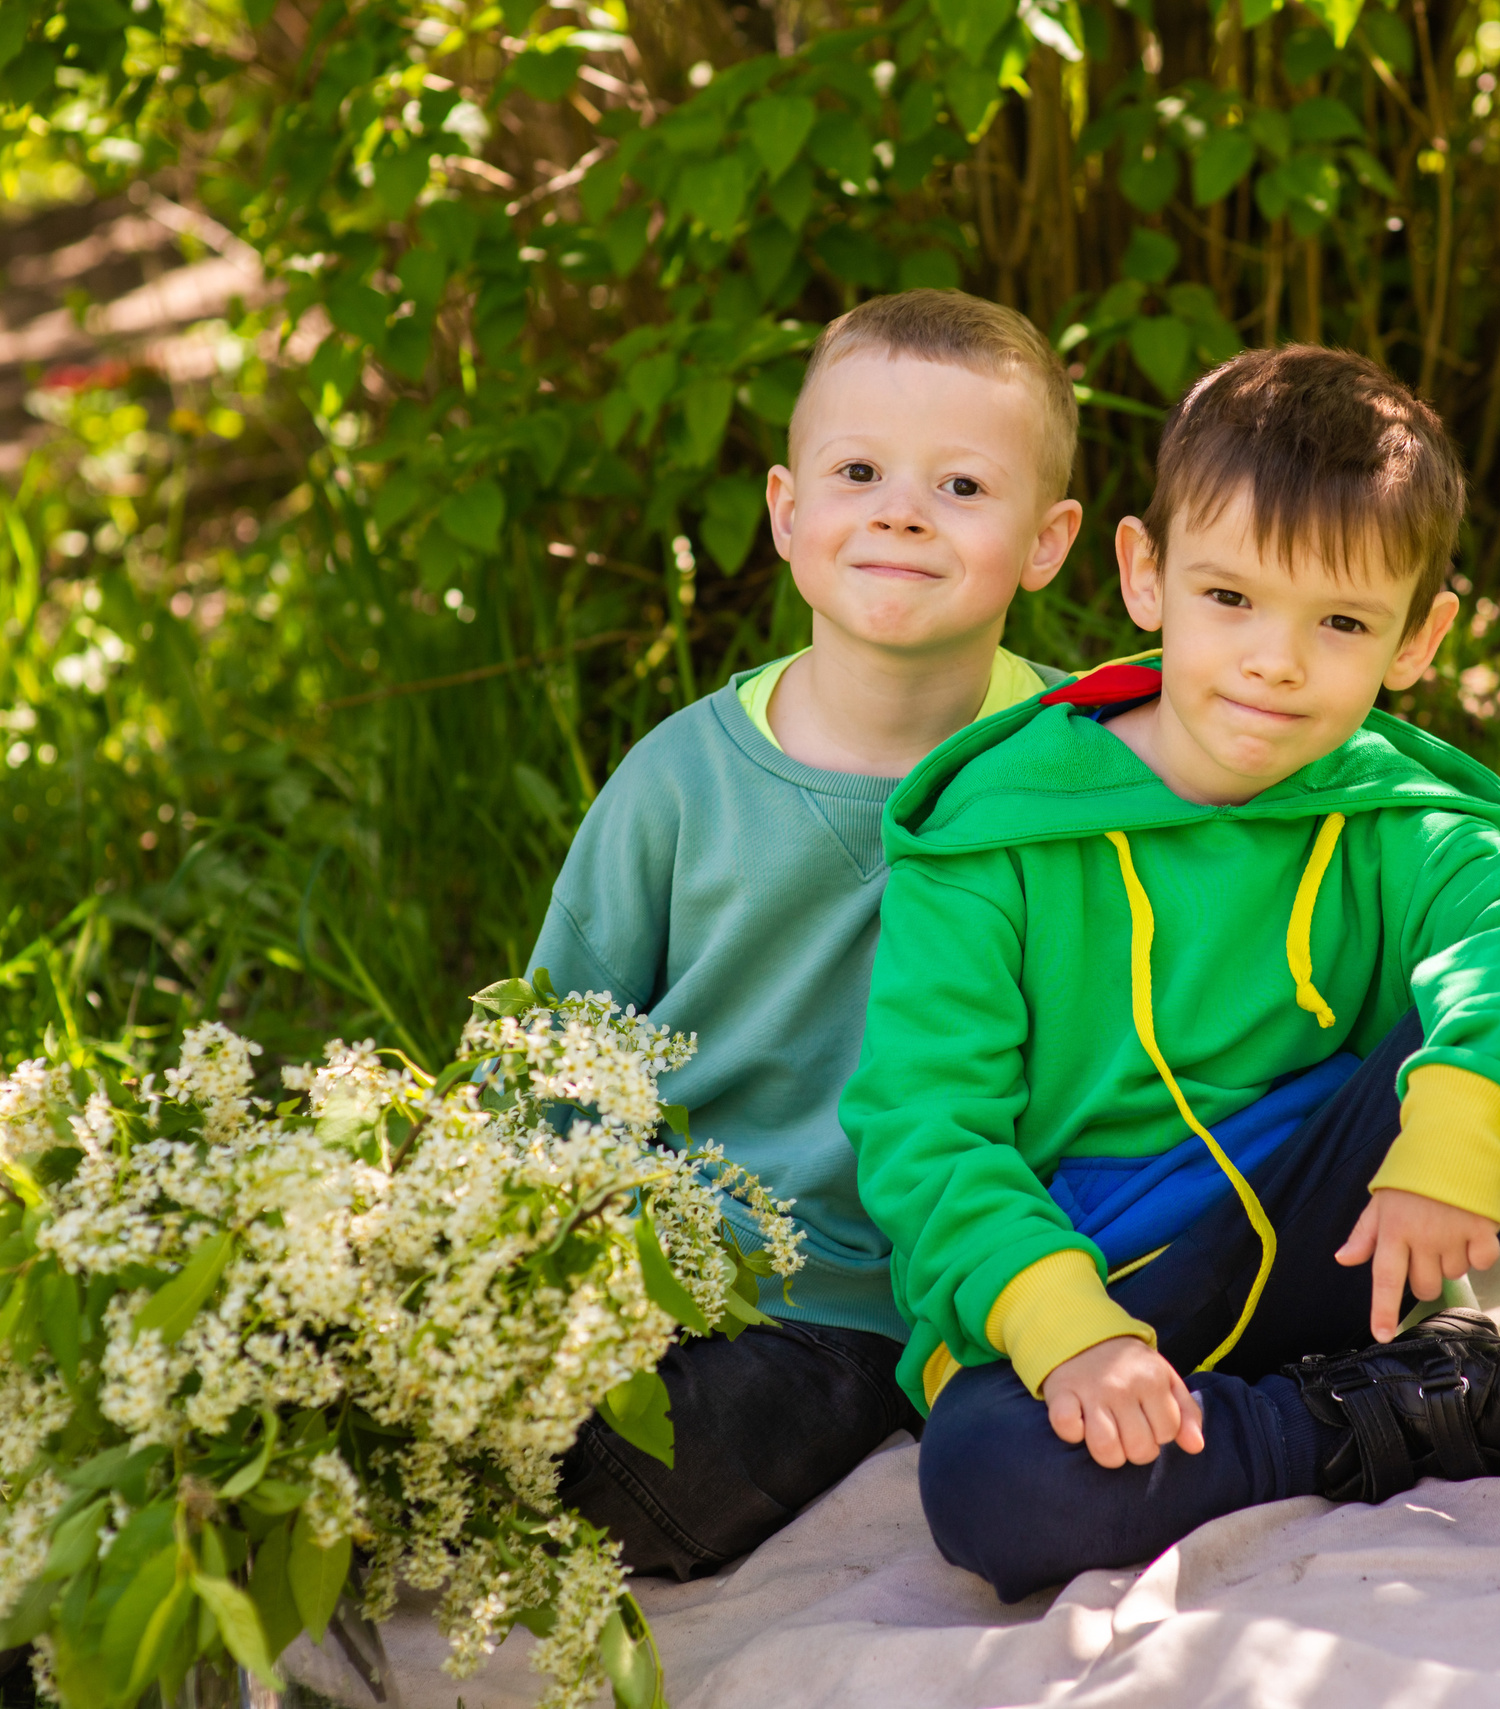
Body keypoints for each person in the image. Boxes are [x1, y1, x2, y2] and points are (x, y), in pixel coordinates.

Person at [843, 345, 1500, 1602]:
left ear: (1418, 636)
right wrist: (1068, 1333)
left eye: (1338, 621)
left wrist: (1457, 1119)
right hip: (1111, 1290)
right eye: (1230, 599)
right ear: (1143, 572)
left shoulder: (1381, 811)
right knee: (990, 1478)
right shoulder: (993, 838)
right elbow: (923, 1127)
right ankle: (1457, 1411)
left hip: (1341, 1243)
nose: (1275, 661)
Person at [530, 289, 1085, 1576]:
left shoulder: (1081, 770)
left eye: (959, 484)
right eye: (858, 472)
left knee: (641, 1489)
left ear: (1047, 541)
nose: (899, 510)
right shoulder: (681, 781)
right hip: (675, 1261)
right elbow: (557, 1051)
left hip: (888, 1296)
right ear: (787, 512)